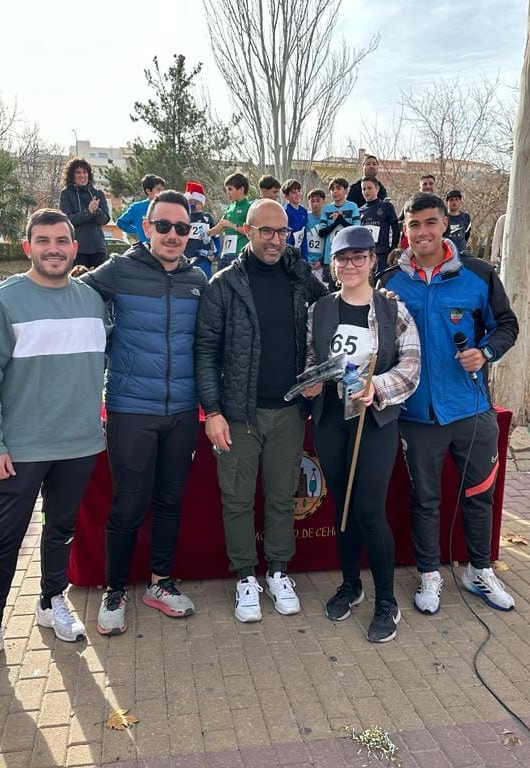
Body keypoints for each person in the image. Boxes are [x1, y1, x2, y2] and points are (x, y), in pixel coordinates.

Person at [0, 208, 108, 681]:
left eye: (61, 240)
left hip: (78, 445)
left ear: (75, 248)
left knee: (61, 532)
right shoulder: (6, 300)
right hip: (18, 449)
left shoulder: (92, 301)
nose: (53, 248)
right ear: (28, 247)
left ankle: (51, 601)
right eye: (43, 240)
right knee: (2, 542)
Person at [376, 193, 519, 615]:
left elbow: (506, 324)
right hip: (416, 415)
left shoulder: (478, 274)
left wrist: (486, 352)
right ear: (405, 229)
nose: (422, 232)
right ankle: (429, 576)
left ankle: (479, 570)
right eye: (414, 224)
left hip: (471, 411)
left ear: (445, 225)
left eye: (431, 223)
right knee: (426, 500)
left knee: (478, 496)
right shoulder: (389, 282)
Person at [195, 199, 329, 623]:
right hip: (238, 413)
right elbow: (204, 350)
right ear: (248, 231)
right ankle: (245, 578)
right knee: (236, 500)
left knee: (281, 497)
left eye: (282, 232)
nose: (275, 240)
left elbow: (333, 312)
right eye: (266, 231)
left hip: (289, 410)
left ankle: (277, 572)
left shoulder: (300, 277)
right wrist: (212, 411)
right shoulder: (224, 284)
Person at [80, 190, 207, 636]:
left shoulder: (197, 279)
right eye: (164, 226)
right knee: (129, 503)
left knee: (170, 501)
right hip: (131, 407)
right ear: (147, 227)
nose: (173, 235)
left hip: (183, 411)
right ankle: (115, 589)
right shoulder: (119, 269)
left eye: (182, 228)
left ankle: (161, 583)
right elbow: (75, 297)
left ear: (190, 233)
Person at [302, 226, 420, 642]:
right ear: (333, 265)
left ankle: (386, 600)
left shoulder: (392, 310)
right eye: (342, 258)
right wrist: (311, 382)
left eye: (358, 257)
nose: (350, 265)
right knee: (343, 507)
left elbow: (411, 366)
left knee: (369, 508)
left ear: (372, 260)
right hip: (332, 420)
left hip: (374, 422)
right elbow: (314, 358)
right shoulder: (320, 310)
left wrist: (378, 387)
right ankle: (351, 585)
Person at [57, 157, 111, 268]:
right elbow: (67, 220)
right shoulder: (66, 194)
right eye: (78, 172)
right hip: (78, 248)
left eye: (85, 172)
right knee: (79, 281)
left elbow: (105, 220)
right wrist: (88, 212)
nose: (82, 175)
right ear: (71, 176)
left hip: (98, 247)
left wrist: (96, 211)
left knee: (99, 283)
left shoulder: (98, 193)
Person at [208, 171, 252, 269]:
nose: (227, 193)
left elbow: (251, 232)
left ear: (241, 189)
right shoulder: (229, 208)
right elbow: (220, 226)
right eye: (226, 190)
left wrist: (232, 225)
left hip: (240, 254)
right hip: (225, 254)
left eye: (230, 189)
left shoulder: (249, 207)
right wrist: (206, 233)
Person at [320, 177, 361, 275]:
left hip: (347, 255)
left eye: (338, 188)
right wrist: (336, 223)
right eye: (332, 189)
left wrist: (341, 220)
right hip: (329, 257)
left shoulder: (352, 206)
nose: (334, 191)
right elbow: (321, 233)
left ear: (346, 190)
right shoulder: (326, 209)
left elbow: (356, 230)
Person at [358, 177, 400, 266]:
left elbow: (395, 229)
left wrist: (392, 249)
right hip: (365, 255)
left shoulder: (386, 206)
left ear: (377, 189)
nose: (366, 191)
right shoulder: (359, 211)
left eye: (369, 188)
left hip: (382, 254)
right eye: (363, 189)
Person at [117, 174, 166, 244]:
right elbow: (120, 222)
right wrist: (137, 230)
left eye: (163, 190)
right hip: (145, 248)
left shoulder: (167, 207)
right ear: (148, 191)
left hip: (163, 246)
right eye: (158, 190)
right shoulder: (137, 208)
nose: (161, 193)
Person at [184, 181, 219, 279]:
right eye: (190, 202)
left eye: (196, 202)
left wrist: (215, 254)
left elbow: (215, 237)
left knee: (204, 283)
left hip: (203, 258)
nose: (193, 205)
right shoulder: (184, 217)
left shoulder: (207, 217)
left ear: (201, 203)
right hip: (186, 258)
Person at [305, 188, 328, 282]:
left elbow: (328, 242)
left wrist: (321, 262)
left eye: (318, 201)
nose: (315, 204)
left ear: (323, 201)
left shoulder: (327, 218)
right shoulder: (305, 217)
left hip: (321, 263)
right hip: (306, 261)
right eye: (312, 201)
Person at [282, 178, 308, 260]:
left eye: (299, 191)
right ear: (286, 196)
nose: (297, 194)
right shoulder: (285, 212)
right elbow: (285, 237)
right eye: (293, 192)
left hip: (300, 250)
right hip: (289, 253)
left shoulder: (303, 211)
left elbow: (304, 235)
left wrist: (305, 258)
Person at [443, 190, 472, 255]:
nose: (454, 202)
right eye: (451, 200)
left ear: (460, 201)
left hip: (461, 255)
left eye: (456, 199)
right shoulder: (442, 217)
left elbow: (466, 235)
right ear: (447, 202)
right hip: (445, 255)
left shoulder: (466, 217)